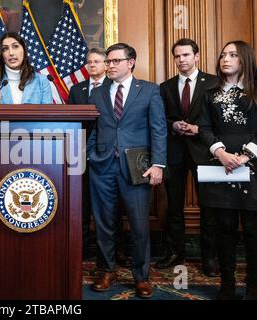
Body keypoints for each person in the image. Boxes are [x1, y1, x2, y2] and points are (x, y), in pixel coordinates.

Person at [88, 43, 167, 298]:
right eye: (108, 61)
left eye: (115, 61)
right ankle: (107, 270)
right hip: (102, 167)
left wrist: (158, 164)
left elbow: (158, 129)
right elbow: (92, 129)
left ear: (130, 62)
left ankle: (141, 277)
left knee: (139, 225)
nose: (109, 65)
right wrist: (91, 156)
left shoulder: (149, 90)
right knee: (104, 223)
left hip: (137, 168)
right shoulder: (98, 93)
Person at [198, 40, 257, 300]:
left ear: (244, 59)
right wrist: (221, 153)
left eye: (232, 55)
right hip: (220, 167)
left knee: (254, 230)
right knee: (224, 228)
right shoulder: (209, 93)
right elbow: (205, 128)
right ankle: (228, 285)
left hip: (252, 167)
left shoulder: (255, 91)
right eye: (223, 55)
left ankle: (254, 286)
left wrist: (245, 156)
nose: (226, 59)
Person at [157, 38, 219, 277]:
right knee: (173, 206)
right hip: (174, 152)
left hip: (205, 151)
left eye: (185, 55)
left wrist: (197, 130)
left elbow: (217, 119)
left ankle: (209, 257)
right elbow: (161, 118)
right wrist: (174, 125)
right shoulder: (166, 87)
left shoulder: (213, 83)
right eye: (177, 56)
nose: (181, 60)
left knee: (209, 207)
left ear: (196, 57)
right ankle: (175, 253)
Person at [68, 48, 130, 267]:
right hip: (80, 152)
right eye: (89, 62)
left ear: (106, 64)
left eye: (97, 61)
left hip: (111, 154)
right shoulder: (77, 89)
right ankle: (84, 248)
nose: (92, 65)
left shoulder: (112, 88)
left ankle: (118, 250)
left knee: (115, 206)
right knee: (81, 201)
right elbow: (70, 121)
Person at [0, 32, 52, 105]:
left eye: (15, 46)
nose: (11, 53)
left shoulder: (41, 81)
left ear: (24, 50)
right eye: (5, 49)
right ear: (2, 55)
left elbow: (48, 115)